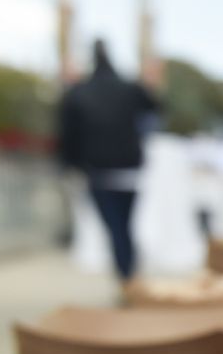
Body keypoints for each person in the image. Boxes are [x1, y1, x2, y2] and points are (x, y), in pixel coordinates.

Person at [58, 39, 157, 282]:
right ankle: (129, 273)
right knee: (125, 226)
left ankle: (126, 275)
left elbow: (67, 134)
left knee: (115, 228)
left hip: (99, 171)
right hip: (129, 169)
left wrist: (68, 166)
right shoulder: (129, 88)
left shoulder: (78, 92)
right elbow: (154, 107)